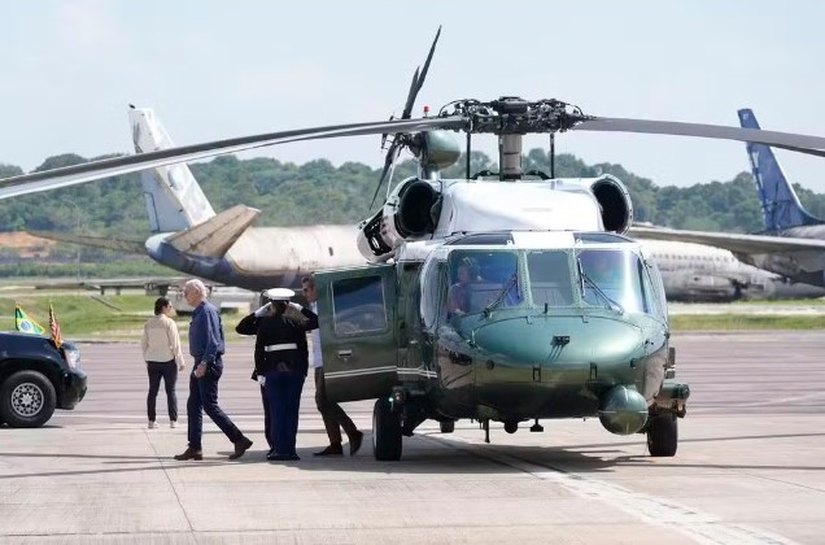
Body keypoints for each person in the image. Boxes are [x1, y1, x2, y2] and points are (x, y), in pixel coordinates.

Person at [174, 279, 253, 461]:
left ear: (196, 292)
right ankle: (194, 447)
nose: (184, 295)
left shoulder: (207, 311)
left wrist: (204, 364)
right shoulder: (199, 312)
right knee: (193, 405)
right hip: (200, 362)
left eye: (186, 292)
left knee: (209, 405)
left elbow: (213, 342)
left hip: (207, 363)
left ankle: (239, 439)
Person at [237, 287, 318, 461]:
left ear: (271, 304)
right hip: (294, 371)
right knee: (291, 411)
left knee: (276, 411)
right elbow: (316, 321)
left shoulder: (265, 322)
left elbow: (243, 329)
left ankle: (278, 449)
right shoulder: (296, 320)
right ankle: (289, 450)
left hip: (271, 372)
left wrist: (258, 312)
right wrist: (300, 307)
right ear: (288, 304)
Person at [302, 276, 364, 457]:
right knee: (324, 402)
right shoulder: (313, 308)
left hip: (328, 360)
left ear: (315, 289)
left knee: (323, 400)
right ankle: (335, 443)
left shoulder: (325, 307)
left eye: (307, 290)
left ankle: (352, 431)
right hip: (319, 360)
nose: (304, 294)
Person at [141, 297, 185, 429]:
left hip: (152, 361)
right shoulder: (169, 323)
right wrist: (180, 360)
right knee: (170, 391)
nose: (171, 309)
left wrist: (147, 357)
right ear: (164, 307)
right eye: (170, 307)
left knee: (152, 391)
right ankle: (173, 420)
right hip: (168, 361)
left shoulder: (148, 323)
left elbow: (144, 343)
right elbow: (175, 343)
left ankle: (151, 421)